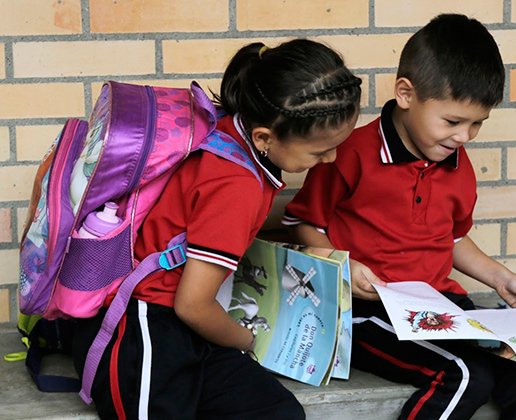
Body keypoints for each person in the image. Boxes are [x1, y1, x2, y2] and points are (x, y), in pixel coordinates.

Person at [283, 14, 516, 420]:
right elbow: (303, 224)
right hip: (367, 313)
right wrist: (345, 265)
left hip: (440, 308)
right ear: (406, 94)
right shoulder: (350, 153)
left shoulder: (456, 164)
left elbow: (454, 240)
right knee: (466, 374)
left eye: (477, 124)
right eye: (452, 122)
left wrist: (505, 279)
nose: (464, 137)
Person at [71, 39, 362, 419]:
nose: (332, 158)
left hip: (189, 326)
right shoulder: (237, 186)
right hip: (146, 327)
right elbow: (192, 305)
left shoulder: (227, 130)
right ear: (264, 138)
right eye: (319, 151)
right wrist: (248, 339)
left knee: (276, 411)